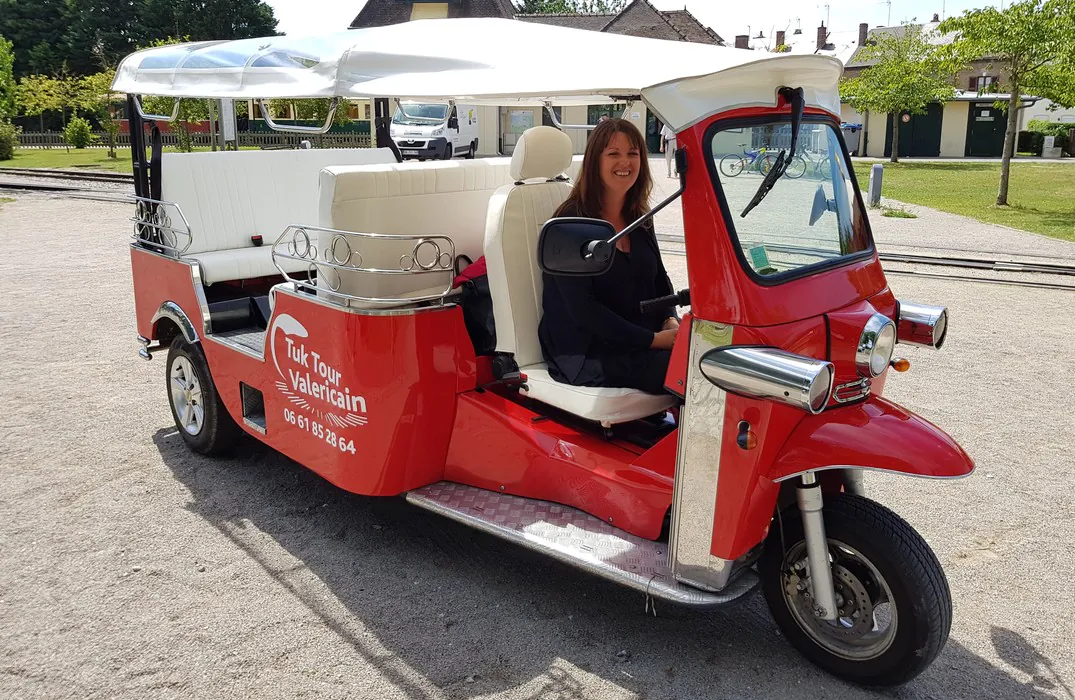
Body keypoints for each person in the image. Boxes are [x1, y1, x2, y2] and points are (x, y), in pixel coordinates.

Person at [538, 118, 679, 396]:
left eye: (633, 154)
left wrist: (670, 320)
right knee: (693, 370)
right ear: (595, 161)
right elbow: (584, 310)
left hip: (641, 341)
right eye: (613, 154)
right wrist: (654, 340)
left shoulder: (639, 217)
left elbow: (660, 281)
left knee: (720, 356)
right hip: (588, 351)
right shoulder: (569, 223)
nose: (625, 162)